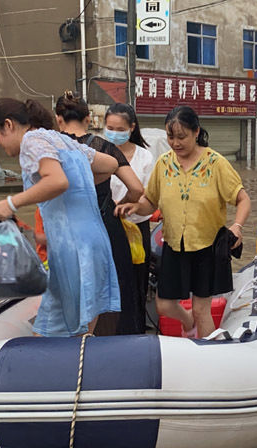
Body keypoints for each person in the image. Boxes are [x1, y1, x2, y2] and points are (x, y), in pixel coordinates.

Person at [0, 98, 121, 337]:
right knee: (77, 337)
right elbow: (110, 164)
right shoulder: (63, 140)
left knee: (53, 337)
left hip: (72, 248)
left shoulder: (32, 140)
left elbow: (57, 181)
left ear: (8, 125)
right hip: (94, 242)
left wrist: (11, 203)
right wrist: (82, 184)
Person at [115, 106, 251, 338]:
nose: (175, 143)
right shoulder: (164, 164)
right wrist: (136, 207)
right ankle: (188, 324)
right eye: (170, 137)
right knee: (163, 305)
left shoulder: (216, 164)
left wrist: (236, 226)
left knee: (201, 309)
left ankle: (206, 356)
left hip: (206, 247)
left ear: (196, 132)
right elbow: (151, 200)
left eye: (181, 137)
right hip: (174, 245)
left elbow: (242, 198)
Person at [54, 92, 144, 335]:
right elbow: (136, 189)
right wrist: (120, 204)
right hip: (105, 223)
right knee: (114, 286)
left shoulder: (51, 148)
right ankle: (113, 345)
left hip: (66, 229)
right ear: (87, 118)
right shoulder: (104, 149)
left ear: (59, 119)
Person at [105, 102, 155, 331]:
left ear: (132, 127)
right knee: (111, 281)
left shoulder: (144, 157)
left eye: (119, 129)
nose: (114, 134)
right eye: (110, 128)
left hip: (136, 228)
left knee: (136, 281)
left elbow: (149, 196)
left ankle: (136, 328)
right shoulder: (100, 153)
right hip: (107, 228)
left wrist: (127, 204)